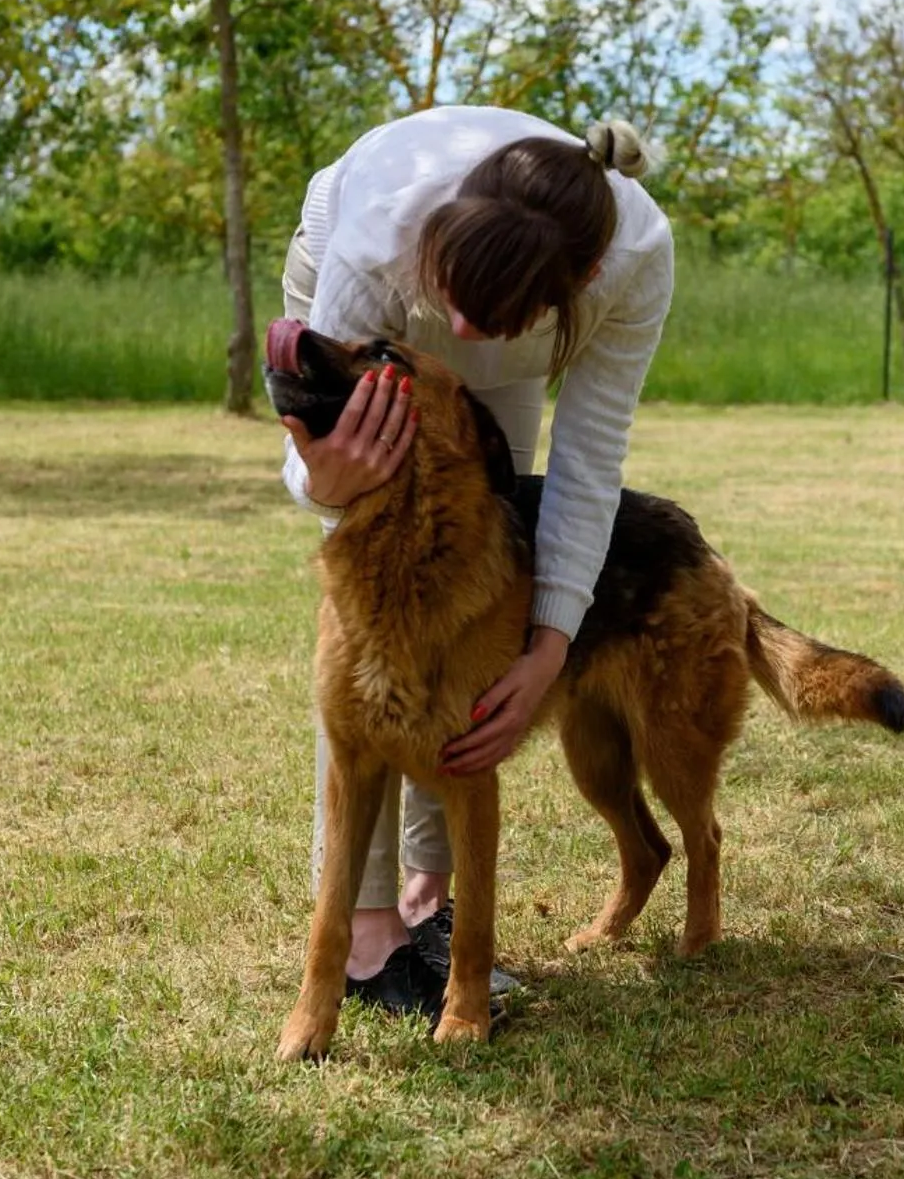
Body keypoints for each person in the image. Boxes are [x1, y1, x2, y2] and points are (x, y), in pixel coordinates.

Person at [277, 104, 673, 1021]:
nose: (456, 327)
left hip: (520, 310)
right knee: (379, 587)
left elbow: (585, 470)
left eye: (481, 318)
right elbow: (320, 462)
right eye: (451, 301)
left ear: (575, 286)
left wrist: (545, 649)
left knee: (483, 563)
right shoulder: (377, 237)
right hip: (373, 272)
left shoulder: (633, 264)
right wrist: (327, 477)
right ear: (440, 244)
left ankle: (429, 896)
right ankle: (370, 932)